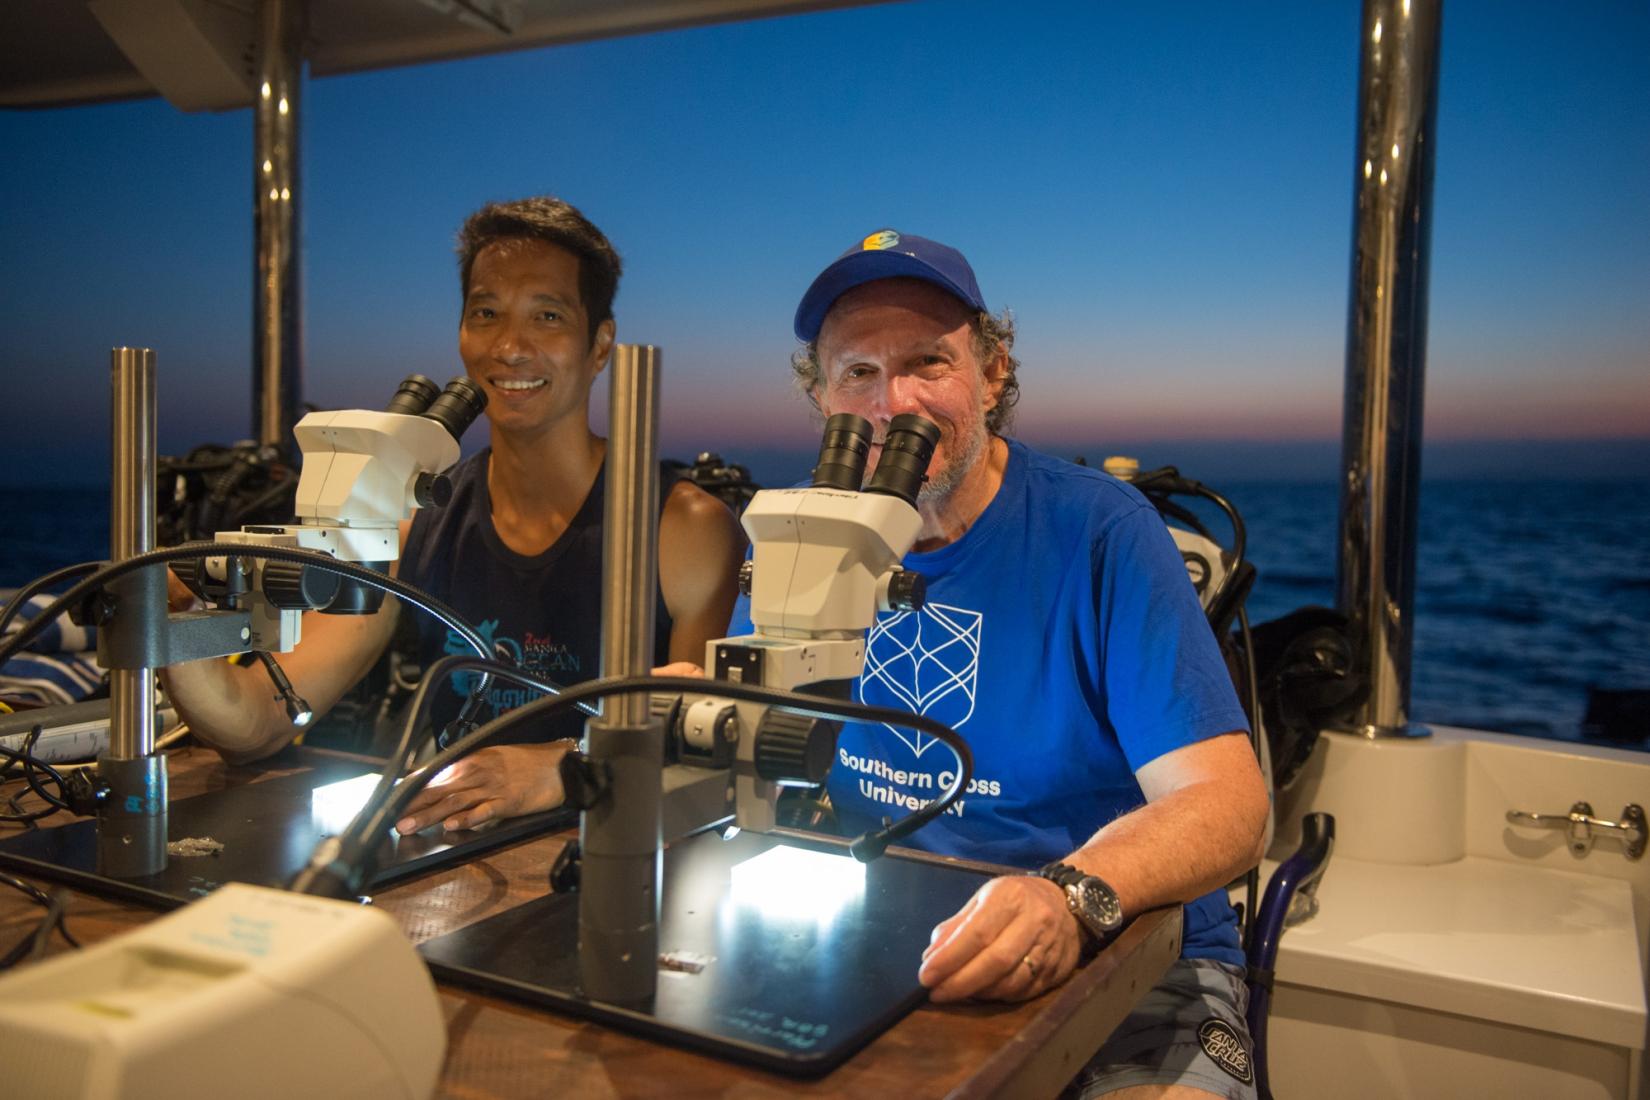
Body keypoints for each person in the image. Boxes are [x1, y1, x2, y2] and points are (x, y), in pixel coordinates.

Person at [776, 229, 1270, 1099]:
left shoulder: (1103, 533)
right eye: (857, 373)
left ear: (994, 372)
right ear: (820, 398)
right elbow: (726, 710)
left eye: (929, 363)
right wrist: (563, 764)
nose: (894, 404)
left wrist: (1069, 896)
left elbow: (1227, 805)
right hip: (889, 942)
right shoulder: (801, 540)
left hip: (1130, 955)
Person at [161, 197, 744, 834]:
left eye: (546, 316)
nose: (510, 347)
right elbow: (260, 723)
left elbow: (705, 753)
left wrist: (565, 763)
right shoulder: (414, 522)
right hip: (449, 863)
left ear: (599, 344)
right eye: (486, 314)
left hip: (618, 860)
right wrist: (172, 623)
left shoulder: (686, 530)